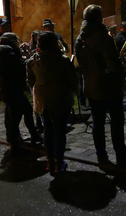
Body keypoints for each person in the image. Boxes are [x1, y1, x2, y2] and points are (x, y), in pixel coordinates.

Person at [75, 4, 126, 165]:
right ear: (98, 18)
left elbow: (82, 62)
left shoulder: (79, 38)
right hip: (108, 86)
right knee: (117, 121)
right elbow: (113, 64)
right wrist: (121, 73)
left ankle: (101, 156)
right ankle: (121, 154)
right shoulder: (102, 37)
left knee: (98, 123)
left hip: (91, 86)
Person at [27, 31, 78, 174]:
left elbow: (30, 82)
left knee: (47, 130)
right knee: (60, 131)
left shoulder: (32, 61)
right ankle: (59, 162)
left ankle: (50, 161)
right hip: (60, 98)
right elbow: (73, 82)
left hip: (41, 99)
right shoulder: (63, 60)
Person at [0, 32, 41, 154]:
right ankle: (14, 144)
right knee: (15, 117)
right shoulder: (7, 55)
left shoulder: (2, 54)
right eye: (15, 41)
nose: (17, 44)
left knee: (24, 111)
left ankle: (32, 136)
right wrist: (25, 61)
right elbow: (16, 70)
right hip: (12, 90)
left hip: (7, 90)